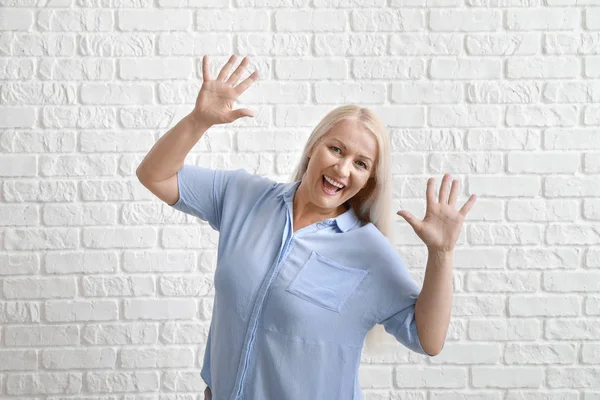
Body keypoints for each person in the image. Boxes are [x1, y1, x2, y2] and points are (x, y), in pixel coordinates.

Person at [136, 54, 477, 400]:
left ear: (370, 180)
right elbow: (154, 175)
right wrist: (198, 121)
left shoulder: (369, 251)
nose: (343, 169)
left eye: (360, 163)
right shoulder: (243, 196)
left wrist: (442, 253)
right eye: (336, 149)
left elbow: (428, 339)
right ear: (314, 146)